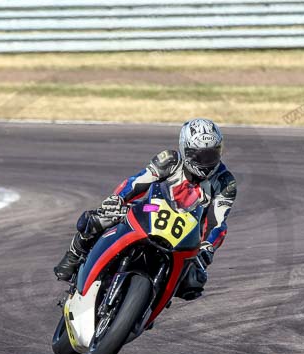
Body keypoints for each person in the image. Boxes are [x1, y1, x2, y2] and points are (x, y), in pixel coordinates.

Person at [54, 118, 236, 297]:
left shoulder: (225, 182)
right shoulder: (170, 160)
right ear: (185, 149)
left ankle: (147, 309)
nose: (206, 162)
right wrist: (117, 199)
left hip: (187, 233)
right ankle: (73, 255)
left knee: (194, 283)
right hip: (150, 211)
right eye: (200, 155)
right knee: (97, 219)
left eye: (212, 154)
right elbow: (137, 182)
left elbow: (218, 223)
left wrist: (207, 247)